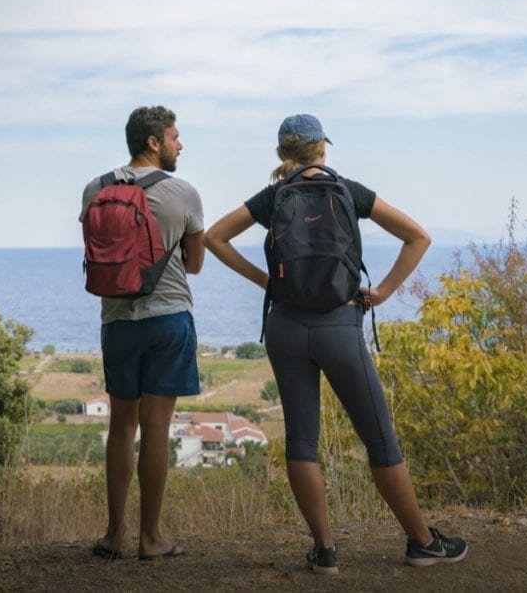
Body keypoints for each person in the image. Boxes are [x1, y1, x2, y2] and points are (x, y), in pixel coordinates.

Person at [203, 113, 468, 573]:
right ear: (322, 148)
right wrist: (382, 292)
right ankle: (422, 542)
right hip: (338, 326)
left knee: (303, 440)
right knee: (380, 440)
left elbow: (214, 238)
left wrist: (265, 281)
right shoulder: (348, 190)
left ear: (283, 153)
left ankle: (324, 551)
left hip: (285, 328)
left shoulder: (273, 197)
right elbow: (418, 237)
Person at [80, 105, 205, 560]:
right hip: (168, 317)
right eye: (175, 136)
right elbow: (194, 263)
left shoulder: (95, 189)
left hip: (117, 320)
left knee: (121, 427)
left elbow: (98, 251)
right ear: (154, 142)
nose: (180, 144)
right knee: (156, 428)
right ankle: (150, 538)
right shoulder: (184, 193)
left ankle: (113, 535)